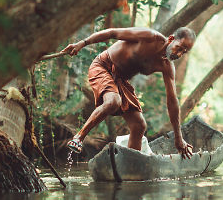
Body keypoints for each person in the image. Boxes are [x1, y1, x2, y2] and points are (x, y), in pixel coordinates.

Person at [61, 26, 196, 158]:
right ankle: (78, 138)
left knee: (139, 125)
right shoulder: (149, 36)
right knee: (113, 101)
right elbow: (112, 33)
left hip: (121, 81)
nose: (178, 54)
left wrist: (178, 138)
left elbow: (172, 101)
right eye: (178, 48)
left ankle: (131, 163)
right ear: (171, 39)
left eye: (183, 52)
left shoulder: (166, 66)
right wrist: (82, 43)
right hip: (103, 66)